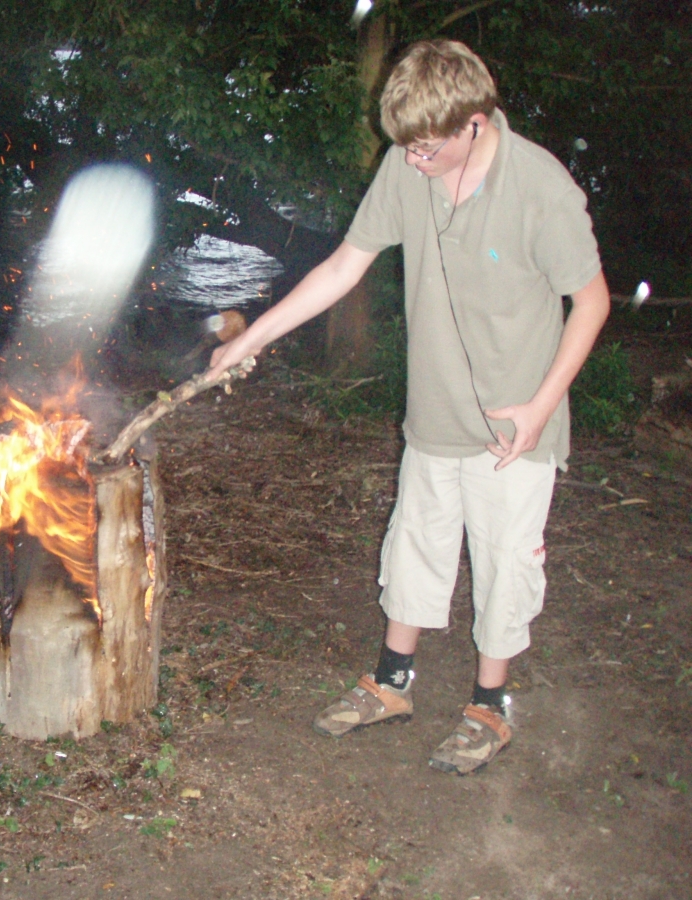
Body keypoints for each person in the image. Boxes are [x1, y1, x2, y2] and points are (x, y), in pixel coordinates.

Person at [206, 39, 609, 775]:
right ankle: (392, 685)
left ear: (475, 123)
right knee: (413, 549)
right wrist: (251, 339)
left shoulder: (539, 187)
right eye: (406, 146)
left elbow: (591, 301)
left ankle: (489, 707)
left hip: (515, 427)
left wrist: (542, 408)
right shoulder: (407, 166)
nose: (413, 160)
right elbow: (343, 265)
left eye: (427, 147)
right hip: (434, 414)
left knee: (503, 567)